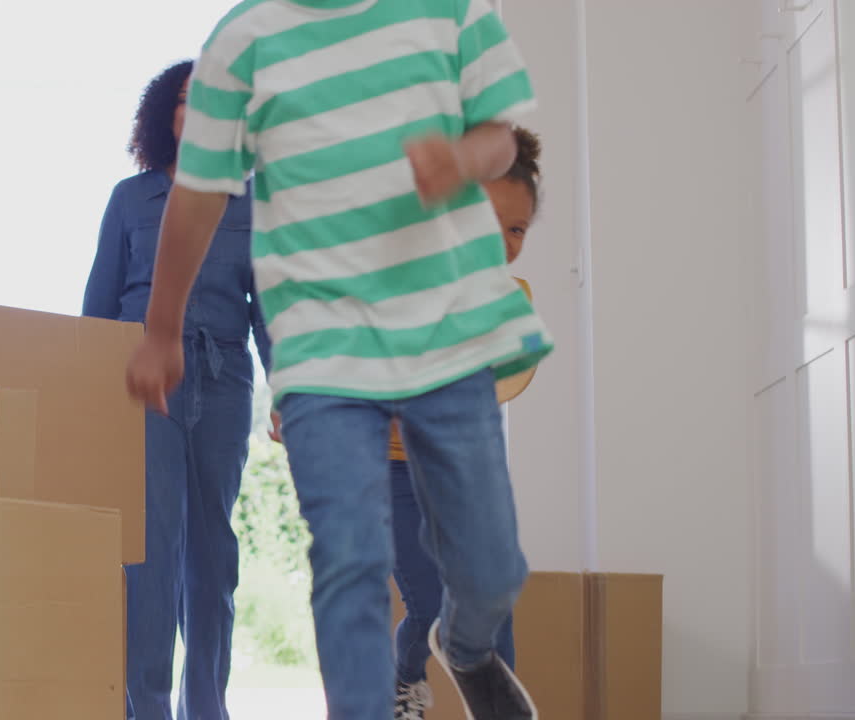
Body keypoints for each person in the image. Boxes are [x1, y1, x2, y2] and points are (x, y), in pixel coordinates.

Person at [124, 2, 553, 718]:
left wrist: (459, 159)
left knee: (488, 568)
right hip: (322, 347)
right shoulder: (242, 41)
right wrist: (162, 329)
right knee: (349, 563)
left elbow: (503, 140)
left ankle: (469, 648)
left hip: (438, 332)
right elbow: (198, 193)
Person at [83, 59, 271, 720]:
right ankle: (149, 708)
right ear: (168, 114)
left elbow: (269, 313)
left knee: (213, 557)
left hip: (222, 383)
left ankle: (206, 708)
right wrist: (91, 397)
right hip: (143, 387)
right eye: (191, 101)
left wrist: (290, 394)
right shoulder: (131, 200)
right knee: (151, 554)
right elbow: (98, 309)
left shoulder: (251, 205)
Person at [391, 127, 544, 720]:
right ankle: (403, 677)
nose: (503, 242)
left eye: (517, 230)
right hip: (393, 468)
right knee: (432, 606)